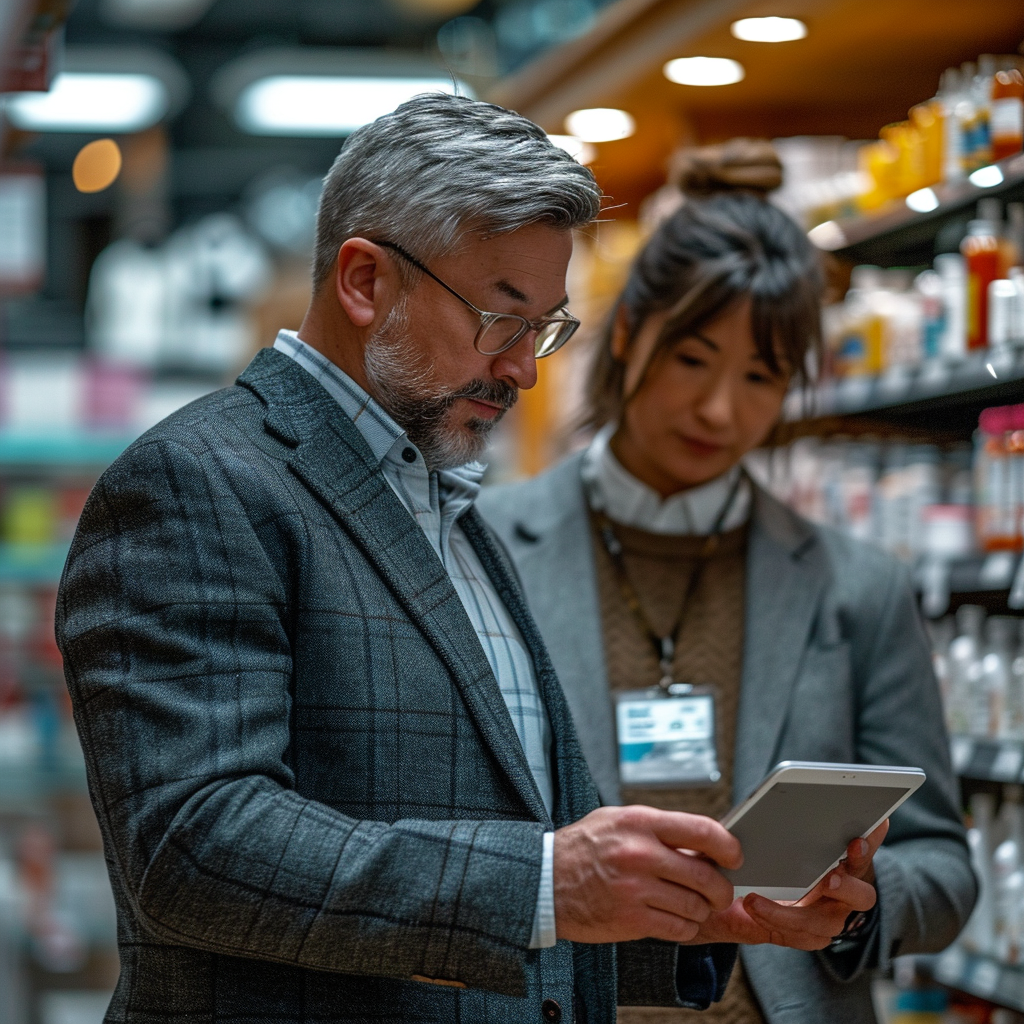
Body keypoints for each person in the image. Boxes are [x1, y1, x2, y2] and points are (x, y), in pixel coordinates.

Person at [56, 98, 879, 1024]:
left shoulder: (451, 511)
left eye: (547, 327)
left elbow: (519, 868)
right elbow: (191, 846)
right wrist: (544, 883)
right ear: (366, 281)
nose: (526, 369)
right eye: (502, 318)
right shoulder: (197, 482)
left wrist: (703, 914)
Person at [478, 153, 977, 1024]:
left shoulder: (855, 587)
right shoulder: (482, 551)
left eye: (759, 378)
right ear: (629, 334)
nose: (718, 410)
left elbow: (943, 864)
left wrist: (856, 904)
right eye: (694, 359)